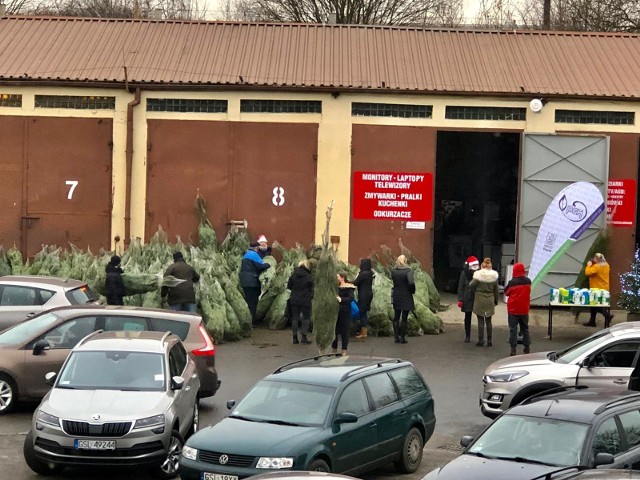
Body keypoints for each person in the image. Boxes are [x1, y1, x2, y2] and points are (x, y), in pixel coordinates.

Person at [469, 258, 499, 347]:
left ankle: (481, 340)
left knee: (480, 320)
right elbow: (496, 291)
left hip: (480, 300)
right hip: (490, 299)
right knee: (489, 321)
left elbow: (470, 285)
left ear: (482, 266)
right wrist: (496, 301)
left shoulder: (479, 275)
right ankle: (489, 340)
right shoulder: (494, 277)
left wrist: (476, 290)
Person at [505, 262, 532, 356]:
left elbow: (506, 292)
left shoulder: (512, 282)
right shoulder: (528, 281)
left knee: (513, 329)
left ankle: (513, 349)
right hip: (524, 309)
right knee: (525, 328)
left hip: (513, 310)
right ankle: (527, 347)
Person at [240, 242, 271, 322]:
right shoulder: (254, 255)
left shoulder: (246, 255)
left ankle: (248, 319)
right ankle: (252, 320)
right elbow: (261, 266)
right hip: (252, 281)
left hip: (244, 281)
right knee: (253, 302)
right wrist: (268, 265)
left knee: (248, 300)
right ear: (256, 248)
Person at [287, 259, 314, 345]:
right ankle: (304, 337)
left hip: (294, 299)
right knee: (306, 318)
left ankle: (294, 338)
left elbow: (289, 286)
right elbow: (312, 289)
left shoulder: (293, 275)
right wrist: (310, 296)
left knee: (295, 318)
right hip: (305, 299)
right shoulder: (309, 276)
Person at [583, 252, 614, 328]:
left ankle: (607, 316)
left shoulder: (596, 267)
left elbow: (587, 273)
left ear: (597, 259)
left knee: (596, 305)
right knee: (594, 305)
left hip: (597, 289)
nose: (593, 259)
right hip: (604, 288)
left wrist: (588, 265)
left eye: (594, 258)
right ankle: (592, 321)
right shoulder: (606, 265)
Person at [391, 255, 415, 344]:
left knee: (396, 316)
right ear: (406, 261)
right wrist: (412, 291)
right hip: (406, 295)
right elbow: (411, 283)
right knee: (404, 317)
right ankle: (403, 337)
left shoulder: (394, 271)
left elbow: (393, 280)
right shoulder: (408, 271)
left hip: (396, 294)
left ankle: (396, 337)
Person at [331, 273, 356, 355]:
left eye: (337, 277)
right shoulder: (335, 287)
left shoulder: (349, 288)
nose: (336, 278)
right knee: (334, 330)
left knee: (344, 331)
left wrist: (341, 299)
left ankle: (344, 349)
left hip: (345, 311)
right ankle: (334, 348)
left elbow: (351, 298)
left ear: (342, 278)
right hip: (335, 312)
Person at [457, 256, 479, 343]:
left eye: (477, 265)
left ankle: (480, 337)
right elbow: (461, 286)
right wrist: (460, 299)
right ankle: (467, 336)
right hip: (467, 298)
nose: (476, 267)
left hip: (477, 297)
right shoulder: (464, 273)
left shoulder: (479, 273)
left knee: (480, 318)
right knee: (467, 317)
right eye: (474, 265)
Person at [354, 258, 374, 341]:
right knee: (363, 313)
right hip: (368, 294)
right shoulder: (369, 273)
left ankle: (364, 333)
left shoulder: (363, 274)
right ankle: (363, 331)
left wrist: (347, 281)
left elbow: (356, 282)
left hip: (363, 295)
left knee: (362, 313)